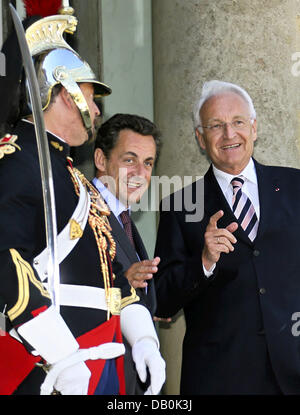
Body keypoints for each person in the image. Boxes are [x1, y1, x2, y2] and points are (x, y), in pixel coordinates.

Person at [0, 6, 165, 395]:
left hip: (99, 353)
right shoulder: (17, 160)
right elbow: (7, 259)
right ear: (61, 93)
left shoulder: (73, 175)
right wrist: (61, 354)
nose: (94, 110)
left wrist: (143, 338)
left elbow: (110, 274)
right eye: (89, 98)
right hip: (51, 363)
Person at [154, 79, 300, 394]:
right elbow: (162, 301)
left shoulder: (295, 186)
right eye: (216, 126)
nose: (229, 134)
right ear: (200, 138)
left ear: (254, 128)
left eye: (238, 122)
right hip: (219, 378)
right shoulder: (181, 205)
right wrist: (204, 262)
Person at [92, 113, 162, 394]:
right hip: (99, 377)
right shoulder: (82, 211)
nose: (140, 174)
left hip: (132, 378)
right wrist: (119, 285)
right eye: (129, 160)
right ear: (100, 160)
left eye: (148, 163)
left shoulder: (122, 217)